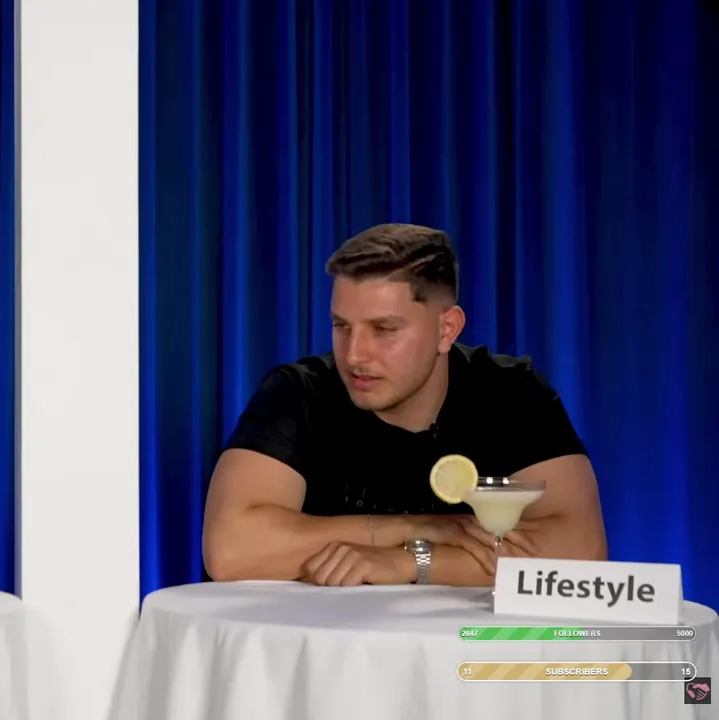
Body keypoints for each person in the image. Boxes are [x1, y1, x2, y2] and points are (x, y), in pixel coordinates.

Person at [202, 223, 607, 588]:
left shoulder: (511, 392)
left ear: (446, 329)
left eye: (383, 329)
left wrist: (412, 562)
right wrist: (414, 527)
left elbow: (581, 552)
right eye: (341, 326)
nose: (354, 355)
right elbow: (231, 550)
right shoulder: (298, 392)